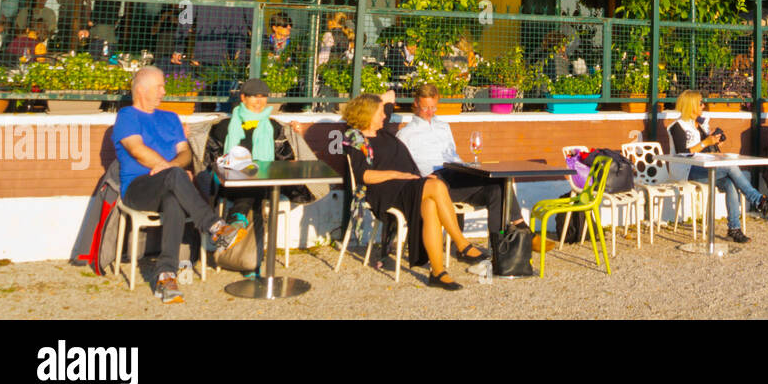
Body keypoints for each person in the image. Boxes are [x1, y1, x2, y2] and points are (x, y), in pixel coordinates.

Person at [113, 67, 241, 303]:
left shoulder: (170, 117)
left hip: (170, 185)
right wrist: (172, 169)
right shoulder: (127, 116)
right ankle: (214, 226)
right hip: (138, 188)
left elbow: (185, 154)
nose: (164, 91)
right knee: (175, 177)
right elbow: (137, 150)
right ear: (141, 90)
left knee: (174, 199)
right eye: (159, 86)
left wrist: (173, 169)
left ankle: (166, 275)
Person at [341, 91, 487, 289]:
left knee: (430, 204)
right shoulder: (356, 138)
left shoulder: (381, 131)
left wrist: (379, 102)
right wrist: (397, 174)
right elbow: (364, 176)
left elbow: (389, 96)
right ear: (367, 115)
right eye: (379, 113)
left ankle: (437, 272)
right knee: (436, 184)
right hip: (388, 191)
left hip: (409, 186)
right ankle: (461, 243)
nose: (384, 116)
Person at [395, 83, 552, 250]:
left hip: (455, 171)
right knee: (497, 183)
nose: (429, 112)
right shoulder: (405, 134)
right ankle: (524, 230)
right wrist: (422, 178)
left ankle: (498, 251)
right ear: (416, 103)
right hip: (434, 179)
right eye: (425, 107)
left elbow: (452, 154)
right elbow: (403, 167)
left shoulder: (443, 126)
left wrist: (466, 166)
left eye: (433, 108)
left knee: (498, 187)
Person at [202, 78, 311, 236]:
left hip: (265, 185)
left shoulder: (274, 127)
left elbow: (286, 161)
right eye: (254, 96)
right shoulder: (224, 126)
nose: (259, 101)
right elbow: (211, 160)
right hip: (231, 185)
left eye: (263, 96)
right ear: (243, 98)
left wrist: (297, 137)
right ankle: (240, 228)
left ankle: (236, 222)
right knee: (252, 180)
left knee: (257, 180)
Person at [668, 90, 768, 243]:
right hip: (685, 169)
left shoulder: (699, 125)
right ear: (691, 105)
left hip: (702, 166)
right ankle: (758, 200)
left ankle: (734, 229)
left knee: (730, 183)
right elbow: (683, 151)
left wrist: (713, 142)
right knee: (730, 167)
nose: (703, 105)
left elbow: (703, 149)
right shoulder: (678, 126)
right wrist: (706, 142)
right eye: (700, 103)